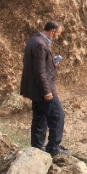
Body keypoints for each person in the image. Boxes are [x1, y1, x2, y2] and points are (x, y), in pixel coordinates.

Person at [21, 21, 69, 156]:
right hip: (43, 88)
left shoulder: (34, 40)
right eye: (58, 34)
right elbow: (40, 72)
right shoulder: (41, 45)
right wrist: (46, 91)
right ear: (52, 31)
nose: (58, 37)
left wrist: (51, 62)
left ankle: (36, 147)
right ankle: (53, 148)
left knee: (40, 117)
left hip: (34, 89)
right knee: (58, 115)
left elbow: (37, 65)